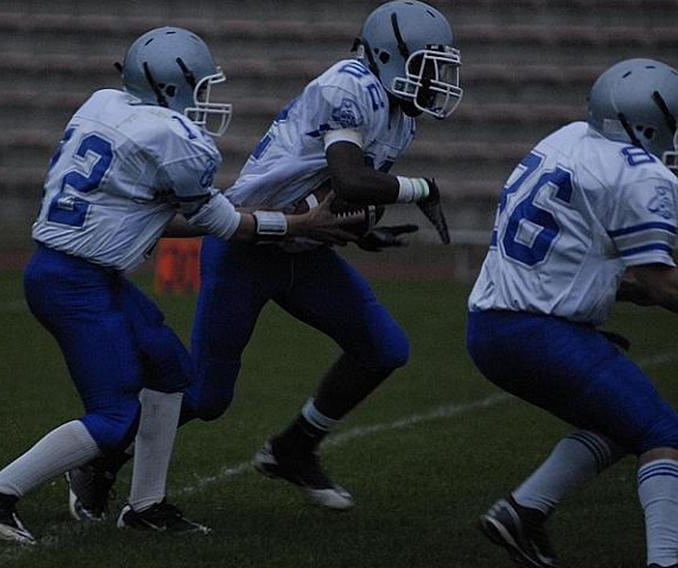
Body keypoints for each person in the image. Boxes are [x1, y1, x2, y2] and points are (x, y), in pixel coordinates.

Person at [0, 26, 361, 544]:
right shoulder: (173, 138)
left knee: (171, 370)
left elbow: (169, 210)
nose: (206, 99)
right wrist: (300, 224)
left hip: (82, 272)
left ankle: (146, 506)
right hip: (75, 283)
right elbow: (223, 224)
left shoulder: (104, 104)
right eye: (201, 86)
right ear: (172, 87)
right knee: (114, 415)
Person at [64, 0, 462, 517]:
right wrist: (422, 188)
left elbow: (341, 193)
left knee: (383, 348)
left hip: (305, 247)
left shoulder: (396, 111)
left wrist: (359, 228)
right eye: (427, 66)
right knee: (207, 396)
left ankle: (293, 448)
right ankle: (98, 459)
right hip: (248, 246)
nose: (436, 80)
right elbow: (349, 178)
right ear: (389, 57)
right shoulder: (350, 85)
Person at [467, 58, 678, 568]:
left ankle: (522, 513)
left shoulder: (565, 139)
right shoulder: (640, 174)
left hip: (492, 326)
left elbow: (571, 251)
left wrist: (620, 294)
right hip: (539, 333)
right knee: (664, 434)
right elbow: (660, 281)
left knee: (622, 418)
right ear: (645, 124)